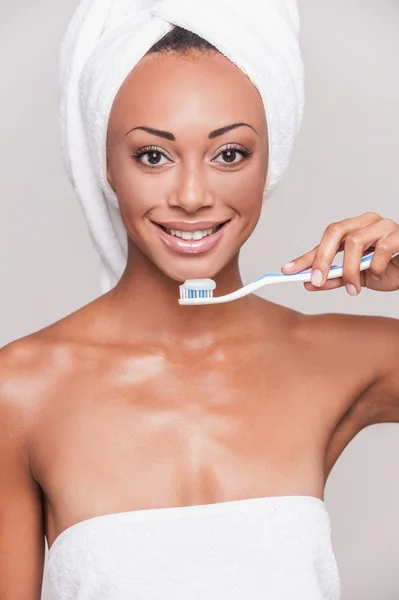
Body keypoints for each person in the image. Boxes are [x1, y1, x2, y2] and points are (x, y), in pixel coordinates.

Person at [1, 5, 399, 600]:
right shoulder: (22, 390)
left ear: (272, 160)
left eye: (230, 154)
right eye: (153, 155)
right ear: (105, 164)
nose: (192, 196)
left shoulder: (346, 360)